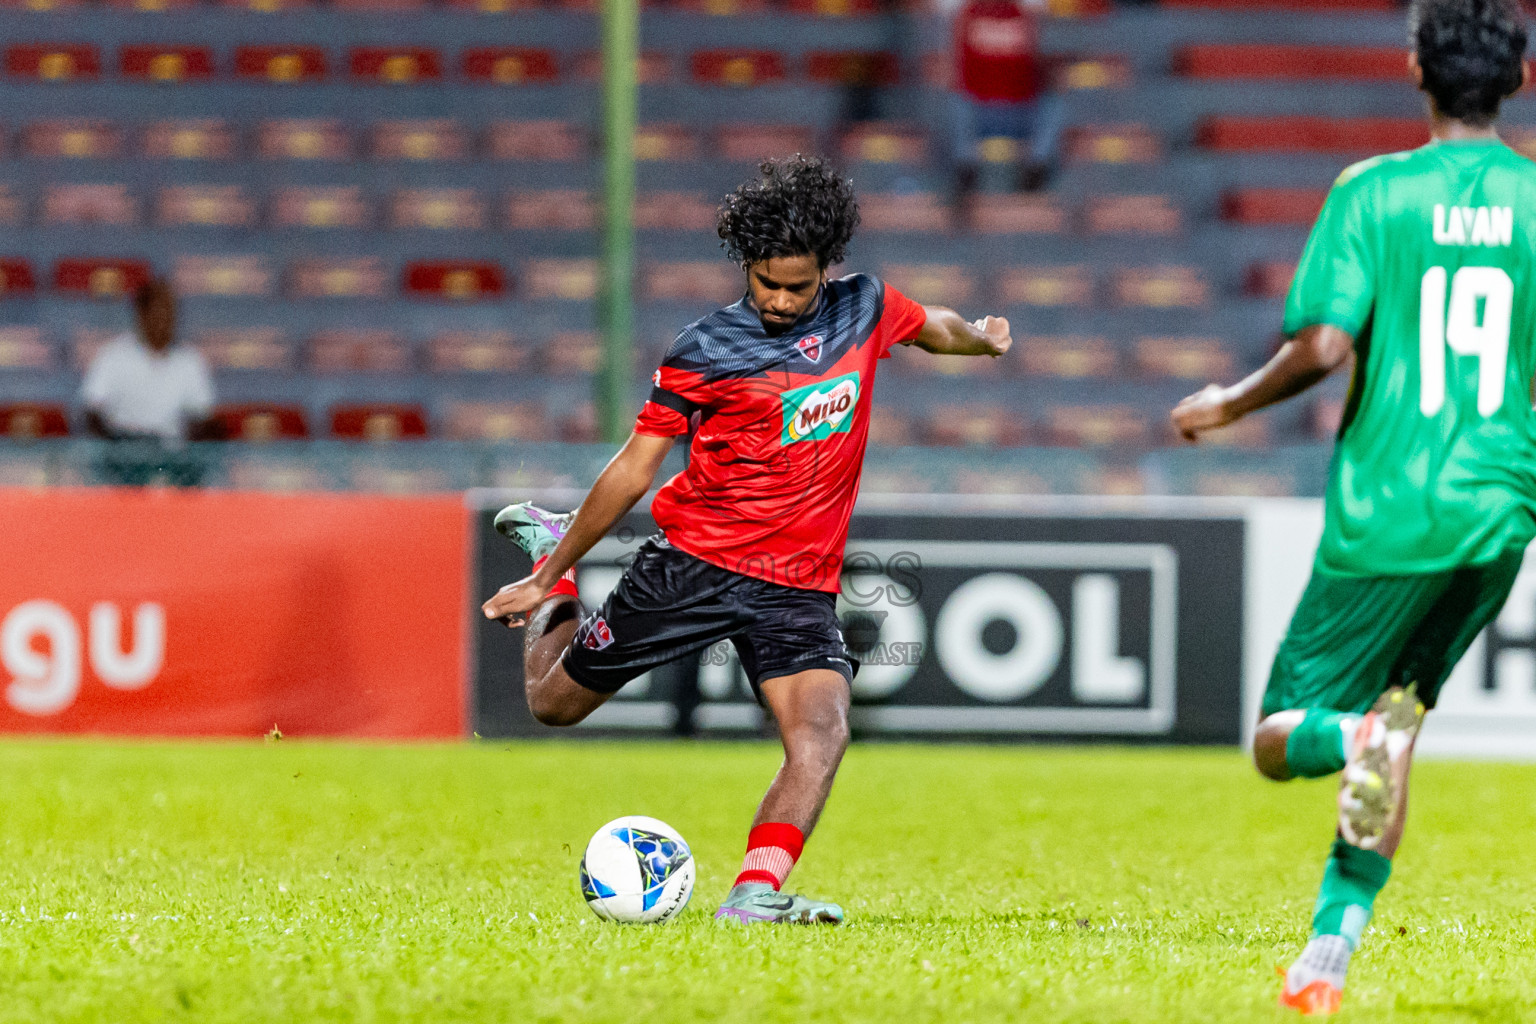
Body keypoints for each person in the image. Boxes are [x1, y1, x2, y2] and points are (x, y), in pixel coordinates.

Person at [481, 155, 1012, 925]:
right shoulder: (705, 350)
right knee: (553, 705)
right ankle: (549, 561)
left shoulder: (864, 305)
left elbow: (936, 327)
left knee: (823, 732)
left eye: (799, 285)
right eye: (768, 282)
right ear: (747, 267)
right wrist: (555, 573)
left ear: (827, 271)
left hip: (798, 583)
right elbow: (635, 469)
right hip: (694, 564)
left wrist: (981, 342)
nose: (782, 299)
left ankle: (754, 893)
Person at [1171, 0, 1534, 1013]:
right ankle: (1328, 955)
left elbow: (1326, 345)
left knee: (1284, 732)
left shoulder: (1372, 193)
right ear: (1518, 79)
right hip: (1503, 505)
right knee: (1399, 712)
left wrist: (1228, 402)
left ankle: (1357, 758)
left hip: (1391, 507)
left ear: (1417, 69)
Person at [82, 277, 221, 449]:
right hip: (124, 451)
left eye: (170, 314)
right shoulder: (113, 356)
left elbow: (203, 417)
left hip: (171, 454)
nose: (165, 322)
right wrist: (112, 449)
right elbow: (92, 412)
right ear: (142, 314)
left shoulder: (190, 360)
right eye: (158, 313)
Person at [950, 0, 1062, 201]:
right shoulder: (969, 11)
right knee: (954, 103)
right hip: (980, 112)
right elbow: (958, 71)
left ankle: (1034, 172)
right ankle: (964, 173)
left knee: (1057, 106)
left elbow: (1040, 67)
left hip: (1020, 112)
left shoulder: (1025, 13)